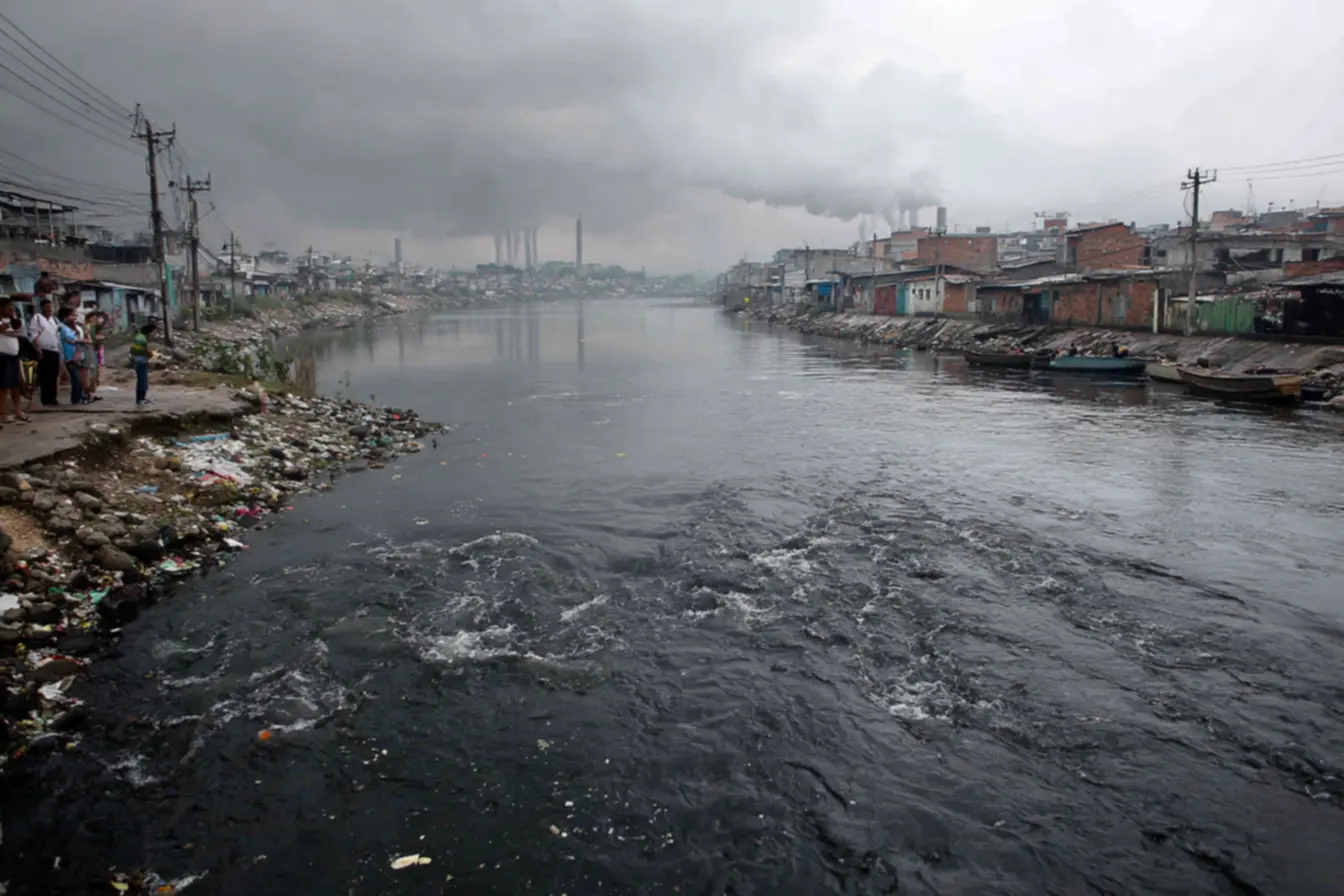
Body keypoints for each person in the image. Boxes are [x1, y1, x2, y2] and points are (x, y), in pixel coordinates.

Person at [27, 297, 61, 406]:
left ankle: (52, 398)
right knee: (45, 375)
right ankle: (45, 399)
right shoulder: (37, 318)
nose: (50, 309)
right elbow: (34, 335)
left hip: (54, 349)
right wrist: (38, 349)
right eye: (47, 307)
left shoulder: (53, 320)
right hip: (44, 350)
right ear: (42, 308)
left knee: (54, 374)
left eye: (51, 307)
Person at [0, 297, 28, 424]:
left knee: (16, 385)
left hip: (14, 356)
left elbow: (20, 333)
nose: (11, 309)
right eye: (9, 307)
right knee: (3, 387)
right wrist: (6, 328)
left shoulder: (15, 320)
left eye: (12, 307)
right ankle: (3, 413)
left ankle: (18, 411)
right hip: (2, 356)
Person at [57, 307, 88, 405]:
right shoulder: (63, 329)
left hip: (76, 357)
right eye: (72, 315)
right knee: (76, 380)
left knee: (77, 380)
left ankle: (78, 398)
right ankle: (76, 399)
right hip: (69, 358)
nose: (74, 317)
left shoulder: (72, 329)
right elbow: (68, 340)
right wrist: (81, 341)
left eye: (75, 315)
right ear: (65, 317)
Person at [131, 320, 155, 406]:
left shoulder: (140, 337)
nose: (154, 335)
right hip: (140, 362)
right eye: (153, 333)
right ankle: (141, 400)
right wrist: (151, 354)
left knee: (141, 381)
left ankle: (140, 399)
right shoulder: (142, 339)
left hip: (139, 361)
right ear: (149, 332)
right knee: (143, 381)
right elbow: (145, 351)